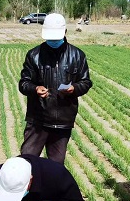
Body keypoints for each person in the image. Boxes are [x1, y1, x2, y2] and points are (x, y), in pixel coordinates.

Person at [19, 13, 92, 164]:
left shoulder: (77, 55)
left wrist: (74, 88)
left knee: (56, 167)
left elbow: (85, 82)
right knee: (26, 162)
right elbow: (24, 83)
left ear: (65, 32)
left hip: (62, 121)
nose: (52, 41)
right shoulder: (34, 55)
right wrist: (35, 89)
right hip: (37, 119)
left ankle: (50, 188)